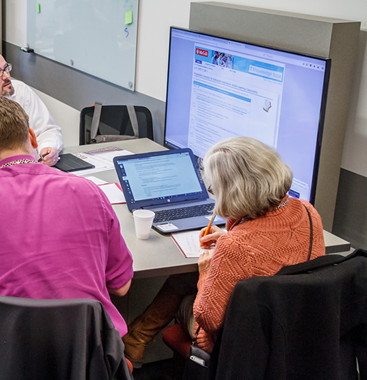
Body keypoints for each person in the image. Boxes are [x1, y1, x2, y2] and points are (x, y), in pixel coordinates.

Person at [122, 136, 326, 361]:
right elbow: (274, 253)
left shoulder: (234, 247)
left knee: (186, 286)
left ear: (234, 191)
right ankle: (135, 339)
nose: (212, 191)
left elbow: (209, 317)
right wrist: (231, 235)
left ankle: (136, 340)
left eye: (215, 188)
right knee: (184, 279)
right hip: (294, 323)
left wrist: (207, 272)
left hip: (246, 337)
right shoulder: (308, 211)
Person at [0, 97, 134, 336]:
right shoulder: (88, 191)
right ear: (33, 138)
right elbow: (122, 286)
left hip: (4, 357)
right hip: (88, 355)